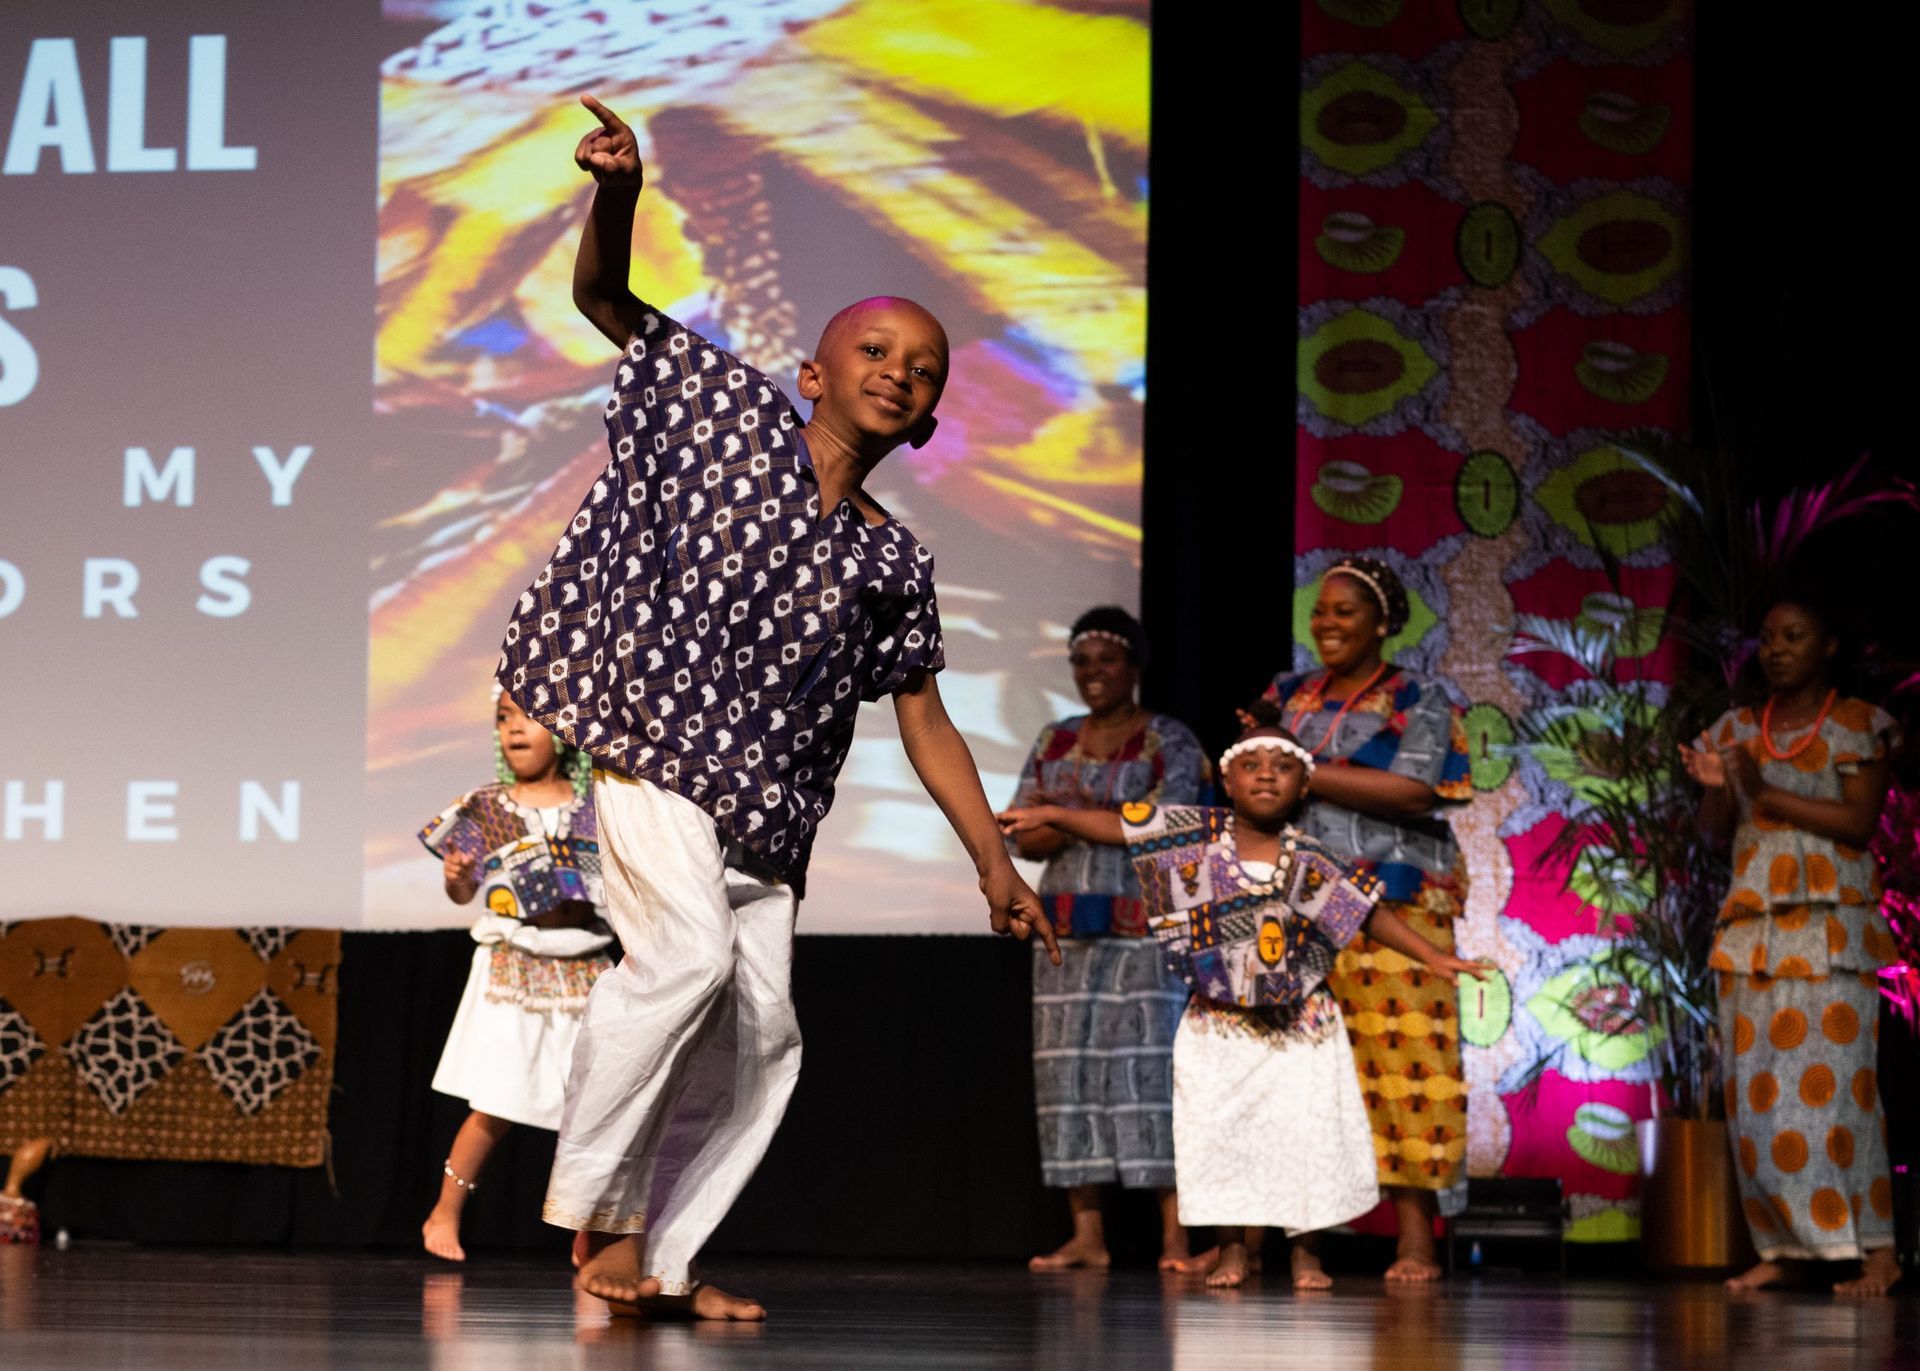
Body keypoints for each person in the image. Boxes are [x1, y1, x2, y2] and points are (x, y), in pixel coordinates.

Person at [495, 94, 1056, 1321]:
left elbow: (926, 719)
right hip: (652, 758)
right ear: (813, 373)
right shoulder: (727, 412)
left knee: (767, 1044)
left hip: (769, 820)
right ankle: (596, 1219)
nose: (898, 374)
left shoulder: (892, 560)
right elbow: (607, 303)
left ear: (933, 417)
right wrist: (619, 194)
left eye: (923, 372)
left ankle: (668, 1263)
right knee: (684, 961)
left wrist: (993, 865)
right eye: (875, 352)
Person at [1002, 721, 1487, 1290]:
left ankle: (1306, 1254)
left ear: (1303, 786)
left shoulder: (1309, 858)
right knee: (1220, 1132)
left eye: (1281, 767)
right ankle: (1232, 1251)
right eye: (1251, 765)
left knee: (1306, 1133)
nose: (1265, 775)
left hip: (1300, 1022)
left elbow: (1363, 913)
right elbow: (1121, 828)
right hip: (1221, 1022)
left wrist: (1433, 956)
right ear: (1227, 782)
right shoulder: (1194, 839)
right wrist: (1056, 816)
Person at [1252, 555, 1471, 1282]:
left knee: (1406, 1064)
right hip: (1298, 900)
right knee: (1296, 1071)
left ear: (1383, 623)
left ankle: (1414, 1236)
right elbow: (1255, 773)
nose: (1327, 623)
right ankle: (1277, 1240)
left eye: (1345, 611)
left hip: (1397, 896)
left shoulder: (1420, 697)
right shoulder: (1288, 694)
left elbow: (1412, 789)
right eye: (1320, 610)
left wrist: (1300, 767)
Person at [1681, 597, 1903, 1297]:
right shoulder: (1737, 728)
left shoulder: (1858, 723)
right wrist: (1721, 787)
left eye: (1794, 635)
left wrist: (1761, 785)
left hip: (1831, 931)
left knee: (1839, 1095)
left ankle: (1878, 1253)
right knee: (1759, 1098)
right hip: (1753, 932)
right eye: (1769, 637)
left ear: (1830, 644)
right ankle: (1785, 1245)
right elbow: (1717, 834)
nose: (1775, 648)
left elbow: (1860, 823)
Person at [1007, 606, 1205, 1271]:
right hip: (1064, 931)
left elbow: (1170, 822)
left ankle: (1175, 1237)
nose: (1094, 673)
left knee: (1150, 1075)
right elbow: (1021, 832)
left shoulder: (1166, 739)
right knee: (1069, 1075)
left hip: (1143, 930)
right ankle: (1088, 1234)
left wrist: (1061, 814)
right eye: (1082, 661)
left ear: (1136, 666)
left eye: (1108, 659)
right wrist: (1099, 818)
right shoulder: (1055, 739)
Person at [418, 689, 615, 1262]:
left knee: (594, 1105)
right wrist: (456, 875)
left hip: (582, 964)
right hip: (514, 964)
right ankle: (444, 1213)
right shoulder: (486, 806)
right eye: (504, 718)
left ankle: (592, 1231)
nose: (514, 728)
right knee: (497, 1099)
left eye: (528, 716)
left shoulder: (596, 805)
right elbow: (462, 893)